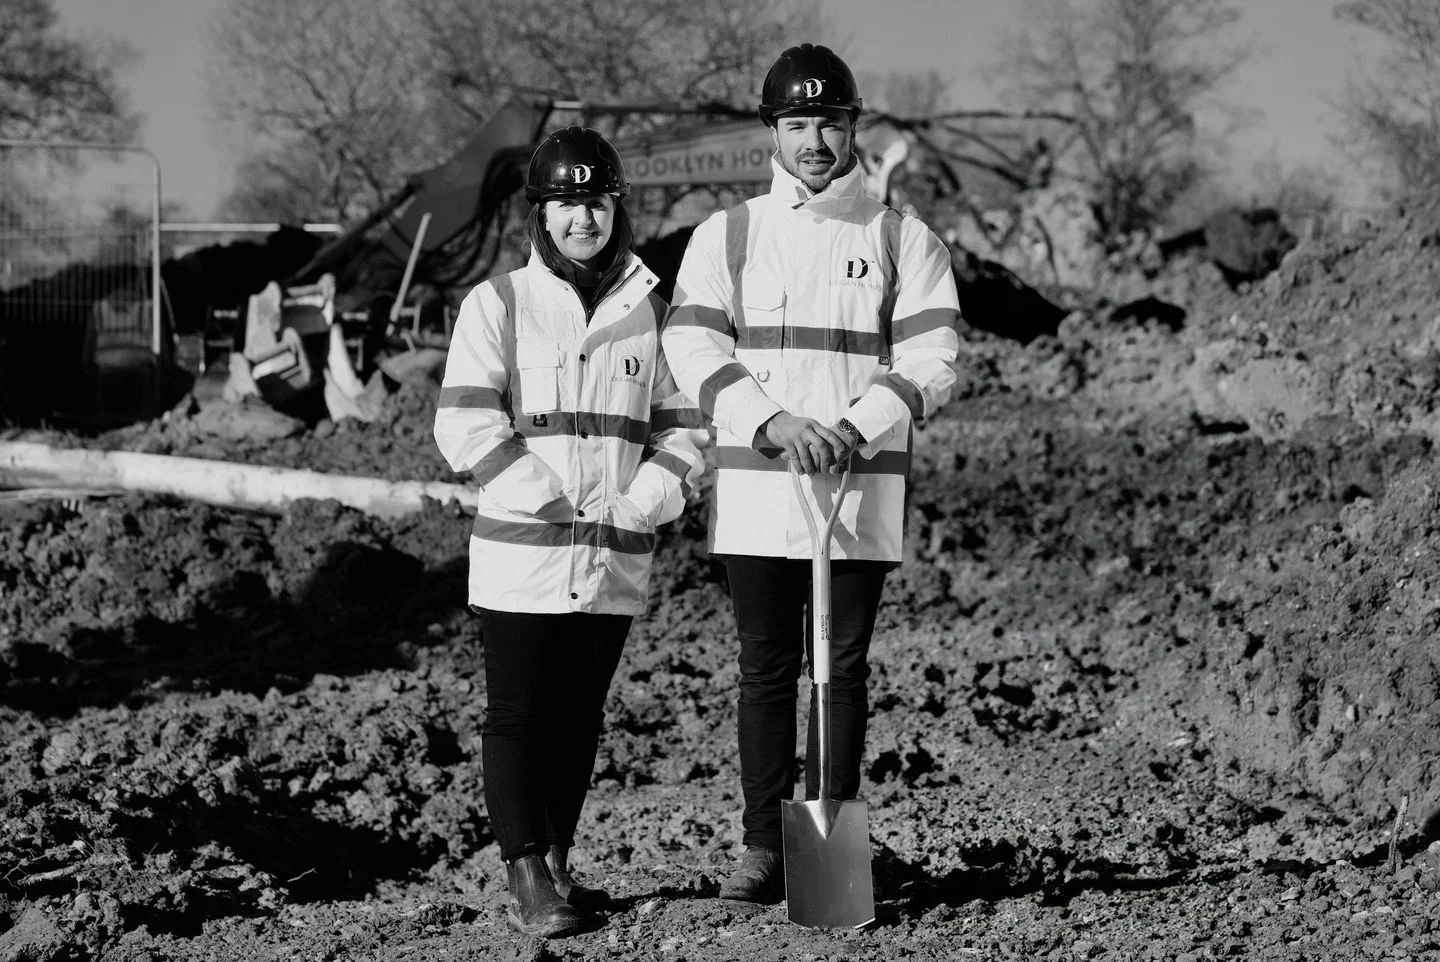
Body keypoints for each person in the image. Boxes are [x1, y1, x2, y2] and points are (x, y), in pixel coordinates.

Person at [661, 43, 962, 903]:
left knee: (843, 664)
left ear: (853, 126)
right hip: (761, 491)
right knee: (765, 666)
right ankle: (763, 848)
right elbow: (690, 343)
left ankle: (830, 837)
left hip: (858, 490)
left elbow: (936, 353)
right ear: (775, 132)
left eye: (828, 122)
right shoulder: (730, 232)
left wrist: (854, 426)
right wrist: (774, 423)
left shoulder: (902, 236)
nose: (814, 140)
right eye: (797, 124)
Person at [434, 126, 706, 937]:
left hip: (614, 552)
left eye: (594, 202)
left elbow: (683, 429)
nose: (581, 219)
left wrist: (644, 501)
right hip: (525, 551)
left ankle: (556, 862)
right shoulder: (500, 303)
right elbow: (465, 425)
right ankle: (525, 875)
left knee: (581, 714)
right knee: (518, 712)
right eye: (565, 205)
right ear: (541, 216)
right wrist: (540, 494)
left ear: (615, 208)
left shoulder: (650, 311)